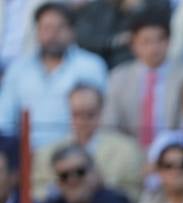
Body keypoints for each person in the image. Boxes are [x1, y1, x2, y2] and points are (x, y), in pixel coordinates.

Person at [0, 1, 108, 148]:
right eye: (46, 28)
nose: (52, 35)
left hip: (76, 154)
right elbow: (4, 120)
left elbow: (102, 118)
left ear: (72, 31)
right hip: (26, 155)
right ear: (37, 31)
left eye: (59, 28)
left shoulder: (91, 66)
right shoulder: (18, 69)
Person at [102, 11, 183, 149]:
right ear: (133, 44)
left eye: (160, 40)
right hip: (130, 154)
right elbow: (110, 125)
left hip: (175, 153)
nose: (154, 48)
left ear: (169, 41)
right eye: (146, 42)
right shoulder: (118, 78)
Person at [32, 85, 145, 203]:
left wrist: (102, 186)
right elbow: (36, 193)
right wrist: (59, 188)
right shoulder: (47, 153)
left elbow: (135, 195)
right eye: (76, 114)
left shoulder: (127, 150)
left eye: (89, 114)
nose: (82, 121)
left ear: (101, 112)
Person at [39, 144, 133, 203]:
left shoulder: (115, 200)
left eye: (79, 172)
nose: (72, 180)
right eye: (64, 176)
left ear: (94, 173)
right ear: (57, 182)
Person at [74, 0, 173, 70]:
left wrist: (137, 9)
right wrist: (113, 41)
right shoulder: (96, 8)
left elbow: (158, 30)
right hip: (105, 64)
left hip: (140, 63)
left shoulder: (156, 3)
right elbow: (83, 39)